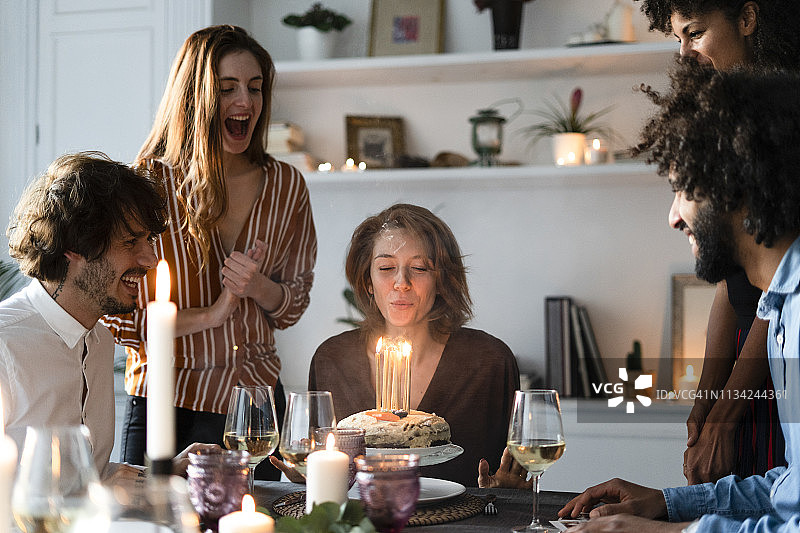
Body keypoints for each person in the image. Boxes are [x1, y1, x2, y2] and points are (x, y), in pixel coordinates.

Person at [559, 64, 800, 533]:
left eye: (682, 189)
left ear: (737, 185)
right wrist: (669, 504)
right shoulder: (781, 310)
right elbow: (789, 491)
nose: (673, 217)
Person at [101, 25, 317, 478]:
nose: (246, 102)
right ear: (195, 95)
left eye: (255, 88)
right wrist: (211, 315)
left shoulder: (286, 185)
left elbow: (292, 305)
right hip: (168, 403)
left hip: (255, 407)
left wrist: (258, 287)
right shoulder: (146, 187)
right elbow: (118, 316)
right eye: (227, 88)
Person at [633, 0, 800, 483]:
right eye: (676, 38)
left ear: (747, 19)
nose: (683, 54)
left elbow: (781, 289)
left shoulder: (783, 138)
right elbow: (736, 275)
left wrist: (726, 413)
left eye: (696, 33)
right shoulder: (713, 126)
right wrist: (705, 403)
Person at [0, 152, 216, 481]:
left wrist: (164, 473)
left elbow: (88, 477)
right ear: (75, 245)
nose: (150, 258)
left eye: (149, 240)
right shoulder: (6, 346)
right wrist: (98, 499)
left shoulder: (99, 339)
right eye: (130, 242)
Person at [299, 203, 519, 487]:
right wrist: (308, 475)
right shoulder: (331, 360)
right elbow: (319, 466)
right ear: (368, 281)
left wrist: (509, 488)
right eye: (386, 267)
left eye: (419, 268)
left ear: (441, 280)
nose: (401, 283)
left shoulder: (489, 362)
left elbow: (518, 473)